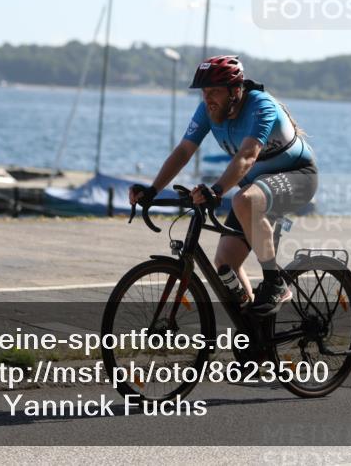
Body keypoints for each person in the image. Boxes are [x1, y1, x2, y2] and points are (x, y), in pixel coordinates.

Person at [129, 55, 317, 315]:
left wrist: (216, 190)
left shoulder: (261, 106)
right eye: (204, 92)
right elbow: (183, 151)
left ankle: (275, 283)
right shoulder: (208, 110)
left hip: (299, 176)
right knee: (225, 262)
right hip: (257, 187)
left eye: (215, 91)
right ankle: (254, 329)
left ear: (235, 90)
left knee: (244, 199)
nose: (208, 98)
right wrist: (152, 190)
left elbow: (247, 156)